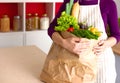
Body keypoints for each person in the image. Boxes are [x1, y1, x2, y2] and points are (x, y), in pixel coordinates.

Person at [47, 0, 120, 83]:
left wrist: (106, 44)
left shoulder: (108, 3)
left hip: (102, 61)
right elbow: (51, 29)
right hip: (77, 63)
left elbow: (116, 35)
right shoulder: (70, 2)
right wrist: (64, 43)